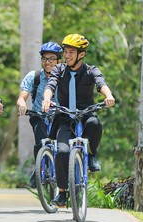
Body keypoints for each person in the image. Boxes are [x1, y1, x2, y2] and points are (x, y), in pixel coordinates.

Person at [42, 33, 115, 206]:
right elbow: (50, 86)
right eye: (65, 52)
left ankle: (92, 154)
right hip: (65, 117)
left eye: (71, 52)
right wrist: (47, 98)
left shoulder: (91, 70)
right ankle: (61, 192)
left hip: (86, 114)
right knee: (62, 151)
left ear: (81, 54)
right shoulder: (59, 70)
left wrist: (109, 95)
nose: (66, 56)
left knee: (95, 124)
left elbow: (101, 83)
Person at [17, 42, 63, 188]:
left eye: (51, 59)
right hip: (38, 114)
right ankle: (39, 168)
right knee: (41, 141)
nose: (47, 62)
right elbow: (21, 97)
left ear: (59, 61)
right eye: (44, 59)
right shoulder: (34, 76)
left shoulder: (65, 77)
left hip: (59, 115)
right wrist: (22, 104)